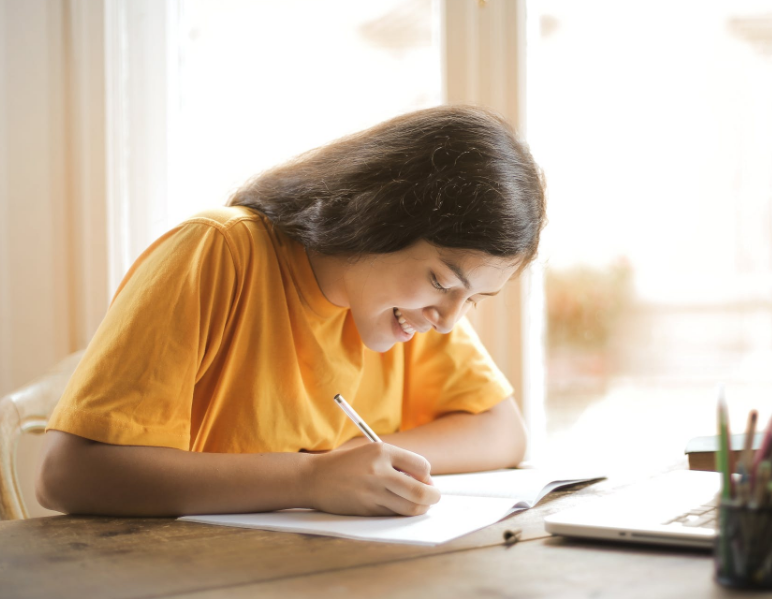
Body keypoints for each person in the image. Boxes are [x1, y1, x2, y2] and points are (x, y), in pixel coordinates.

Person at [37, 105, 546, 519]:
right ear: (377, 218)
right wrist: (310, 479)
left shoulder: (413, 310)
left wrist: (360, 462)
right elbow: (67, 475)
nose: (450, 320)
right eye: (441, 281)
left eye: (472, 300)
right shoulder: (218, 252)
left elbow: (502, 431)